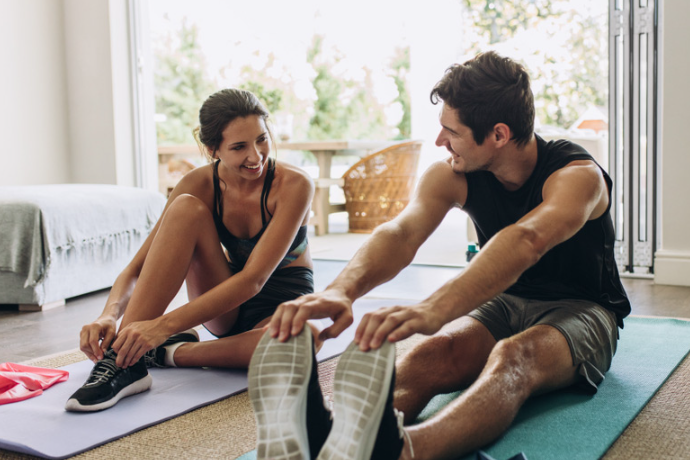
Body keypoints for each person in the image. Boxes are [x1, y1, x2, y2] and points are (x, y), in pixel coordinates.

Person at [247, 51, 631, 460]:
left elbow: (526, 240)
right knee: (432, 352)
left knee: (513, 357)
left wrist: (433, 309)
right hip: (505, 302)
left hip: (584, 310)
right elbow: (401, 233)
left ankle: (402, 451)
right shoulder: (453, 174)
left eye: (452, 131)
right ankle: (338, 437)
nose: (439, 141)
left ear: (498, 135)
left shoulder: (578, 177)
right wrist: (342, 291)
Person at [66, 88, 318, 412]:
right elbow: (137, 268)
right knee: (185, 208)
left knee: (301, 342)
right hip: (223, 301)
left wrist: (161, 329)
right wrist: (109, 315)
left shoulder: (295, 185)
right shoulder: (199, 184)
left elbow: (254, 280)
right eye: (239, 147)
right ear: (213, 149)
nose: (256, 156)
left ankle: (165, 353)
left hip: (281, 305)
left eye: (262, 139)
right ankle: (122, 361)